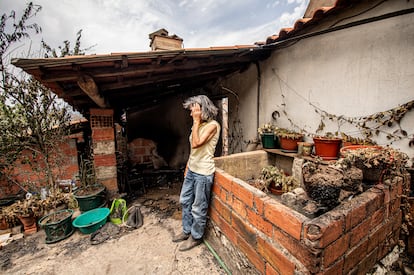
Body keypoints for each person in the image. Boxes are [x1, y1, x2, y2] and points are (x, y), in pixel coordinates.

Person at [173, 95, 221, 251]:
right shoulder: (198, 125)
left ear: (202, 109)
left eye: (193, 109)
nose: (191, 113)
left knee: (198, 206)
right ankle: (186, 230)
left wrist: (195, 121)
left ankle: (196, 236)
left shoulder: (213, 125)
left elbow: (196, 143)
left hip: (203, 173)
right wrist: (188, 166)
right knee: (185, 200)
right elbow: (193, 150)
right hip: (193, 169)